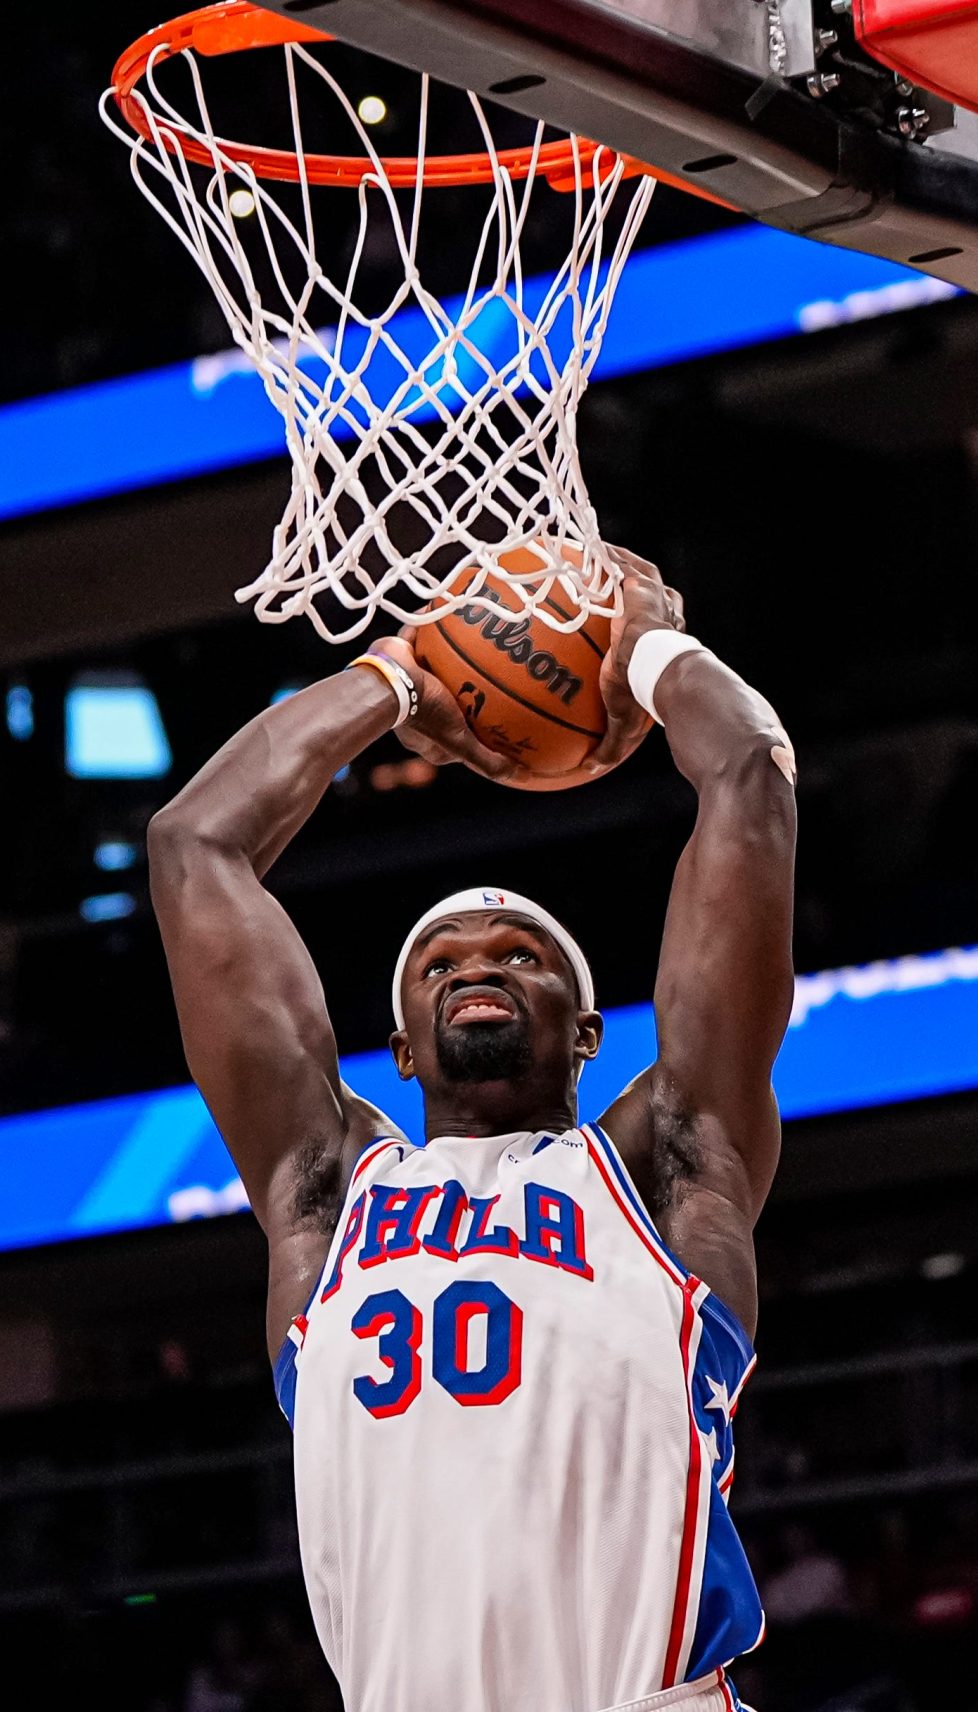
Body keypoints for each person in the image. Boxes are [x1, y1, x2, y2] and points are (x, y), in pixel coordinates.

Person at [149, 551, 796, 1712]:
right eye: (438, 960)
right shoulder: (328, 1192)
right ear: (400, 1046)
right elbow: (193, 845)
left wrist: (650, 647)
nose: (476, 964)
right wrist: (400, 676)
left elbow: (748, 777)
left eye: (520, 954)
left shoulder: (664, 1163)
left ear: (586, 1030)